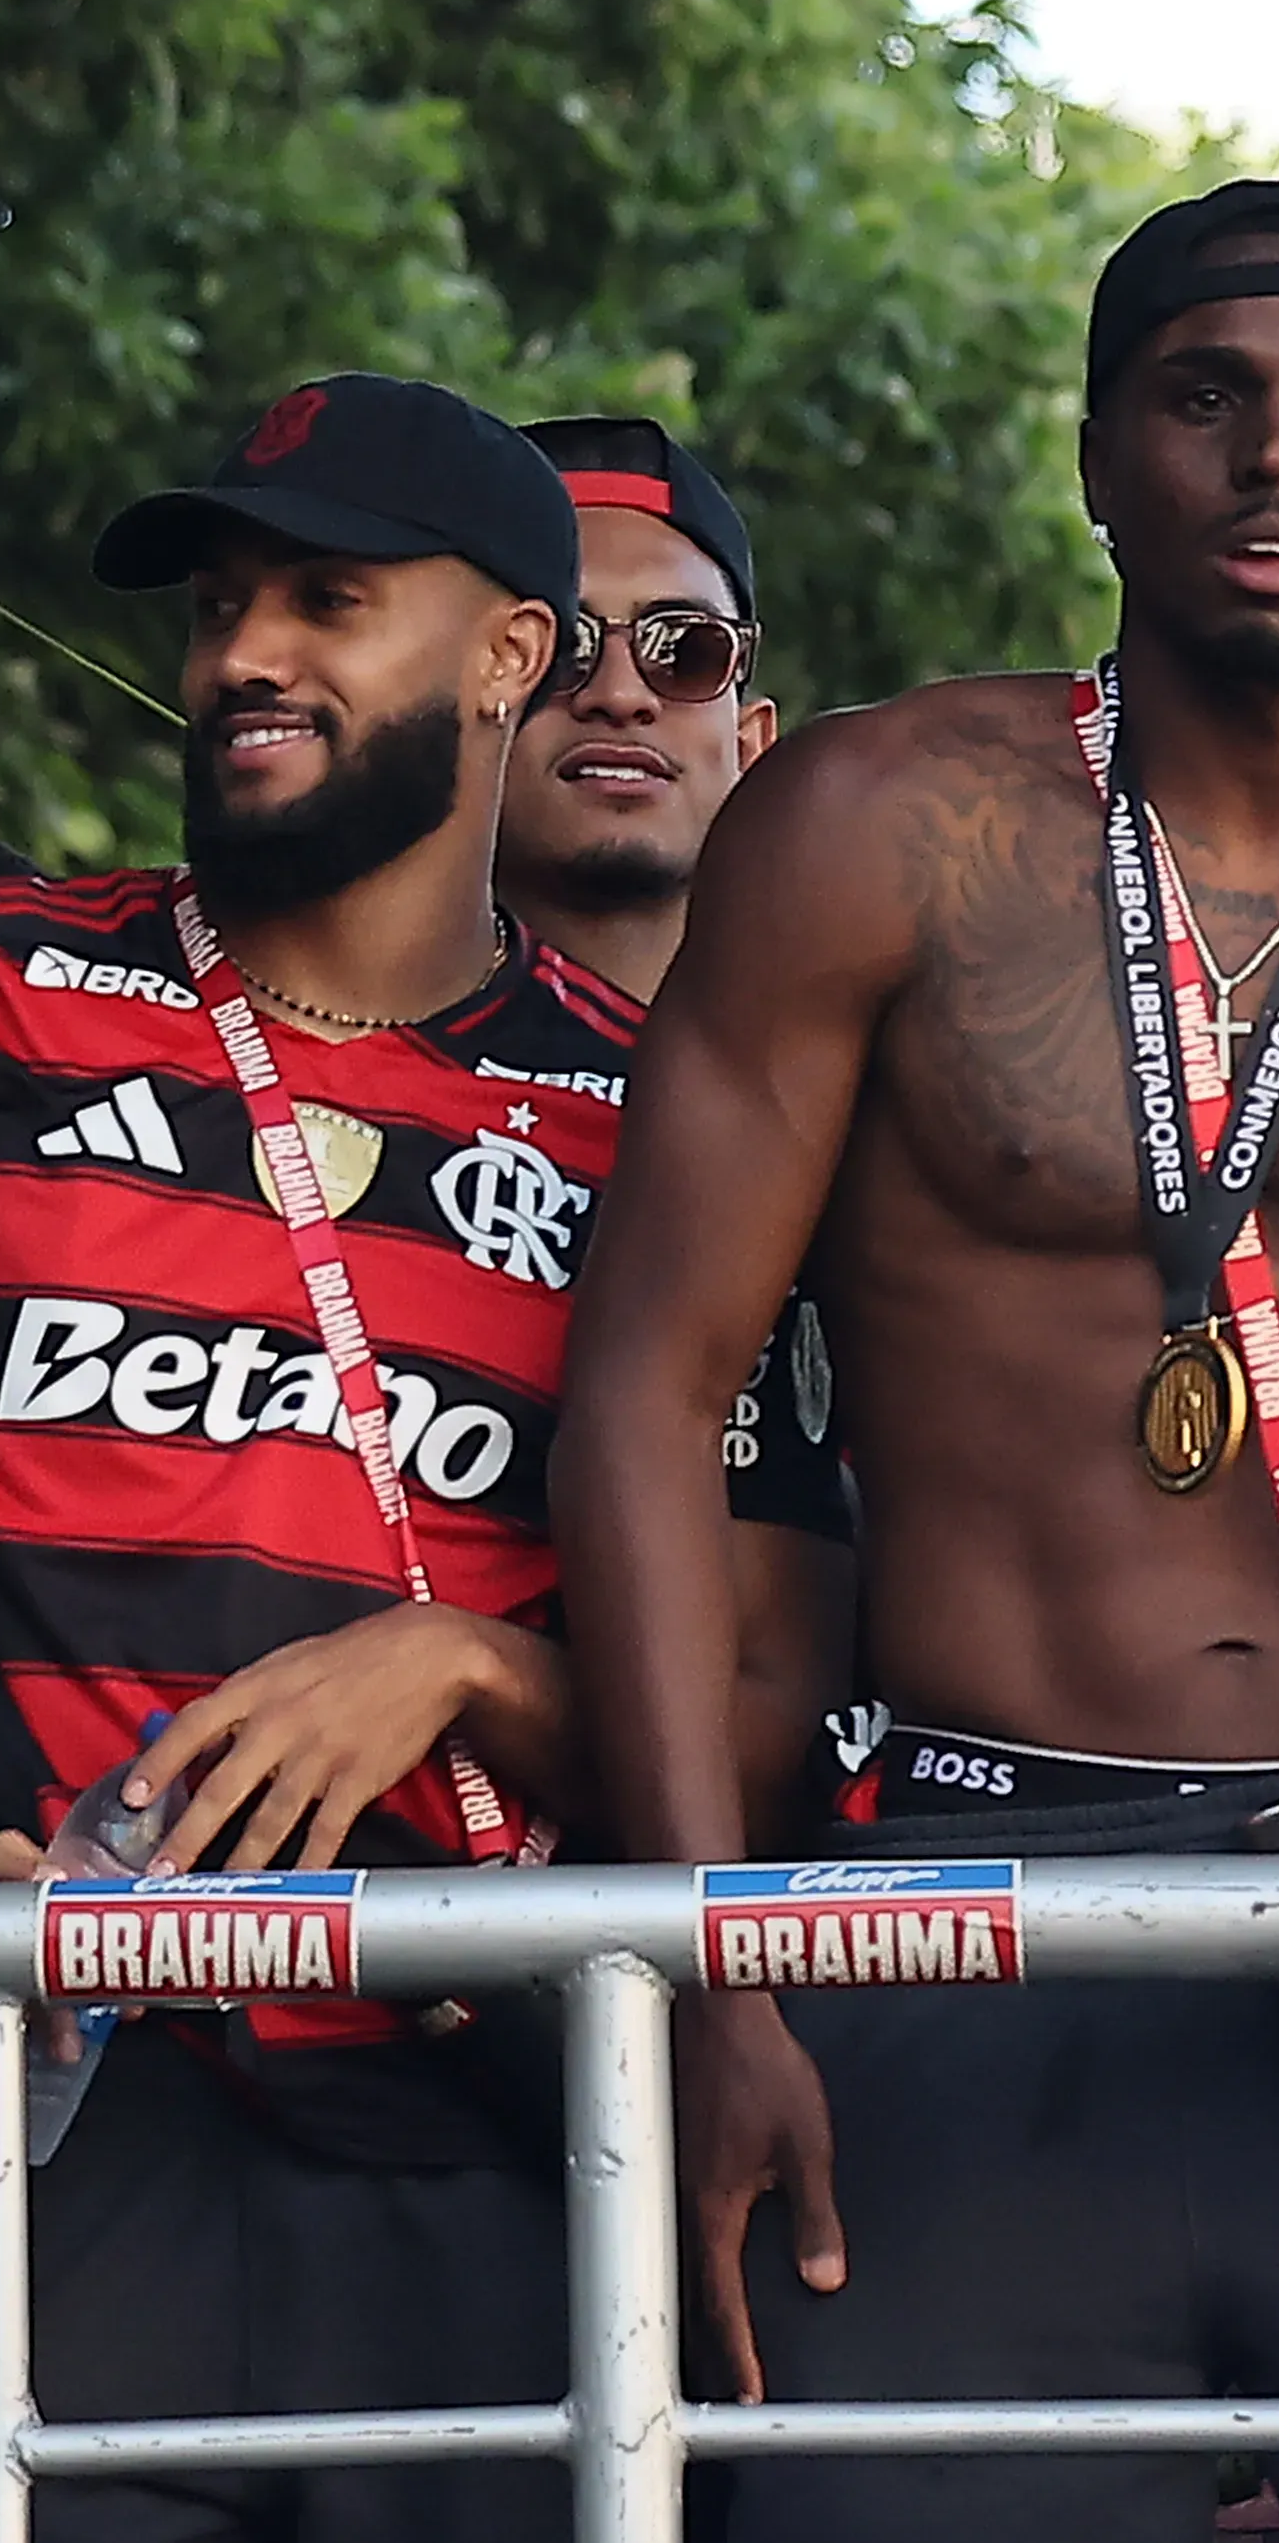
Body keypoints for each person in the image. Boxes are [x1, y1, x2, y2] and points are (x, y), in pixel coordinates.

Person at [547, 178, 1279, 2543]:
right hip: (958, 1926)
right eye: (1203, 401)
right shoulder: (878, 822)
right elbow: (643, 1405)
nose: (1273, 459)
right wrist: (700, 1971)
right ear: (1100, 461)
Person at [0, 378, 619, 2540]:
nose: (245, 654)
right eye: (220, 606)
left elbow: (759, 1692)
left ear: (506, 658)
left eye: (328, 599)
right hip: (59, 2092)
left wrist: (454, 1663)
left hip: (500, 2105)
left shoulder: (661, 1101)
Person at [501, 414, 852, 1846]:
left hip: (851, 1912)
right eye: (564, 652)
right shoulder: (282, 1079)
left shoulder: (882, 1101)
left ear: (748, 734)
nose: (624, 695)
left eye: (683, 650)